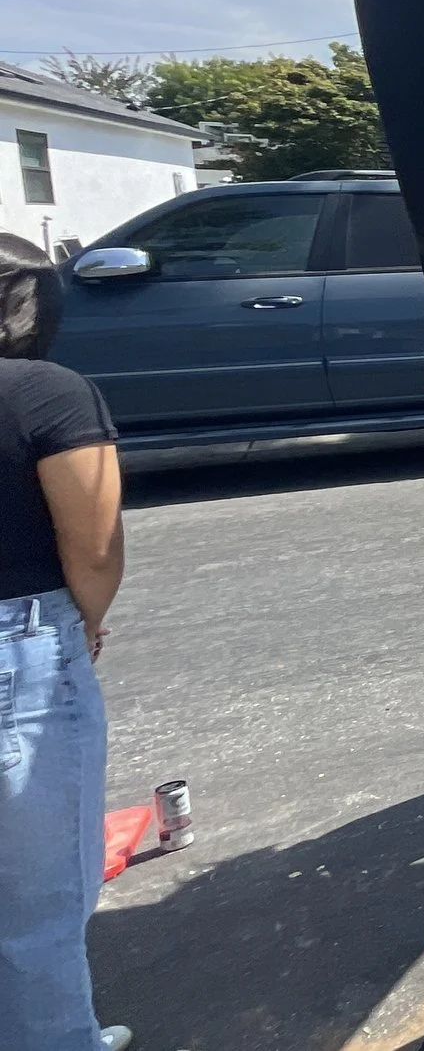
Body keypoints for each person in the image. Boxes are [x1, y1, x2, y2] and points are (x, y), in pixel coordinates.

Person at [0, 233, 137, 1051]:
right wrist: (87, 617)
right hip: (20, 643)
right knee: (41, 900)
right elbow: (94, 546)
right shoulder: (47, 393)